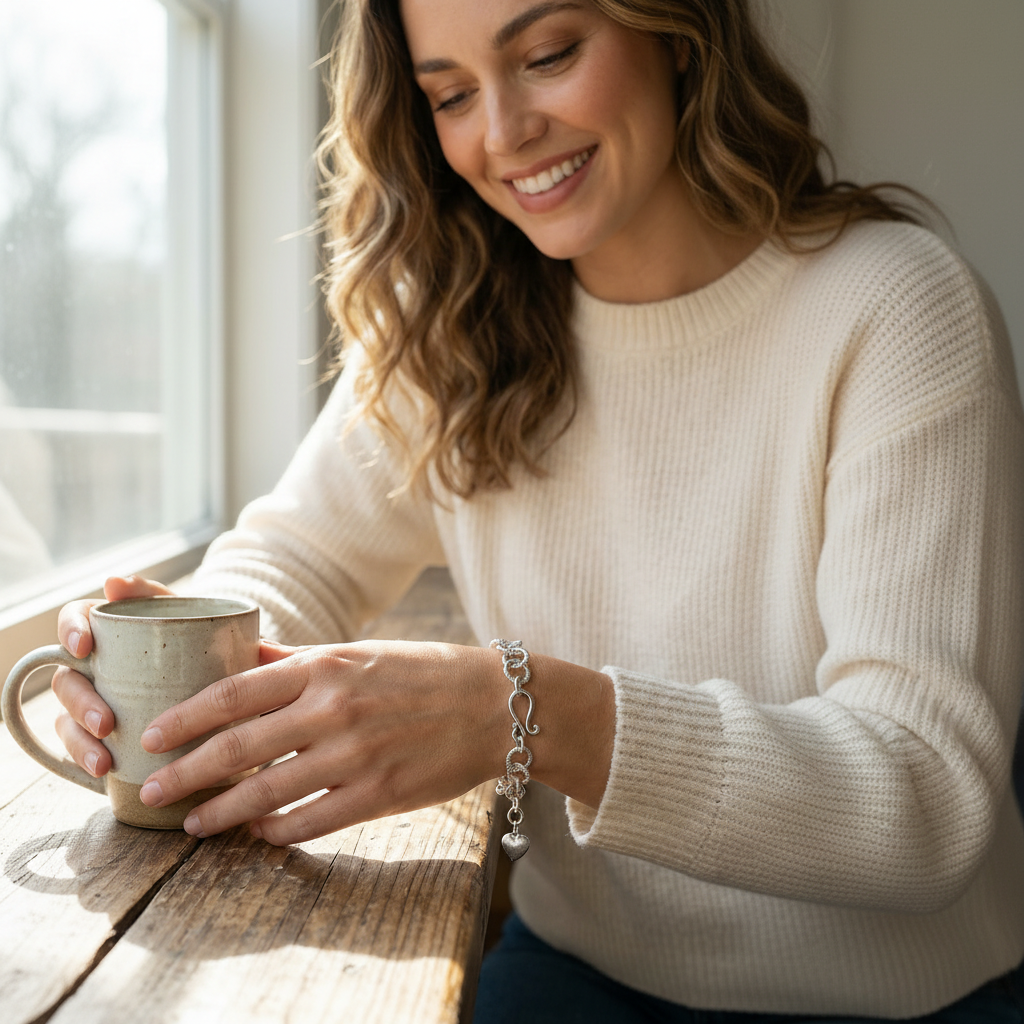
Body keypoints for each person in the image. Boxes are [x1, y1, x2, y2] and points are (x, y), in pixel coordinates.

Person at [49, 1, 1024, 1020]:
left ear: (676, 29)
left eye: (549, 55)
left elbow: (926, 796)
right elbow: (300, 558)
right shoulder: (453, 320)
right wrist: (165, 660)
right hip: (583, 972)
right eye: (450, 96)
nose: (504, 133)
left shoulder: (897, 308)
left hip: (901, 1005)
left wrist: (522, 711)